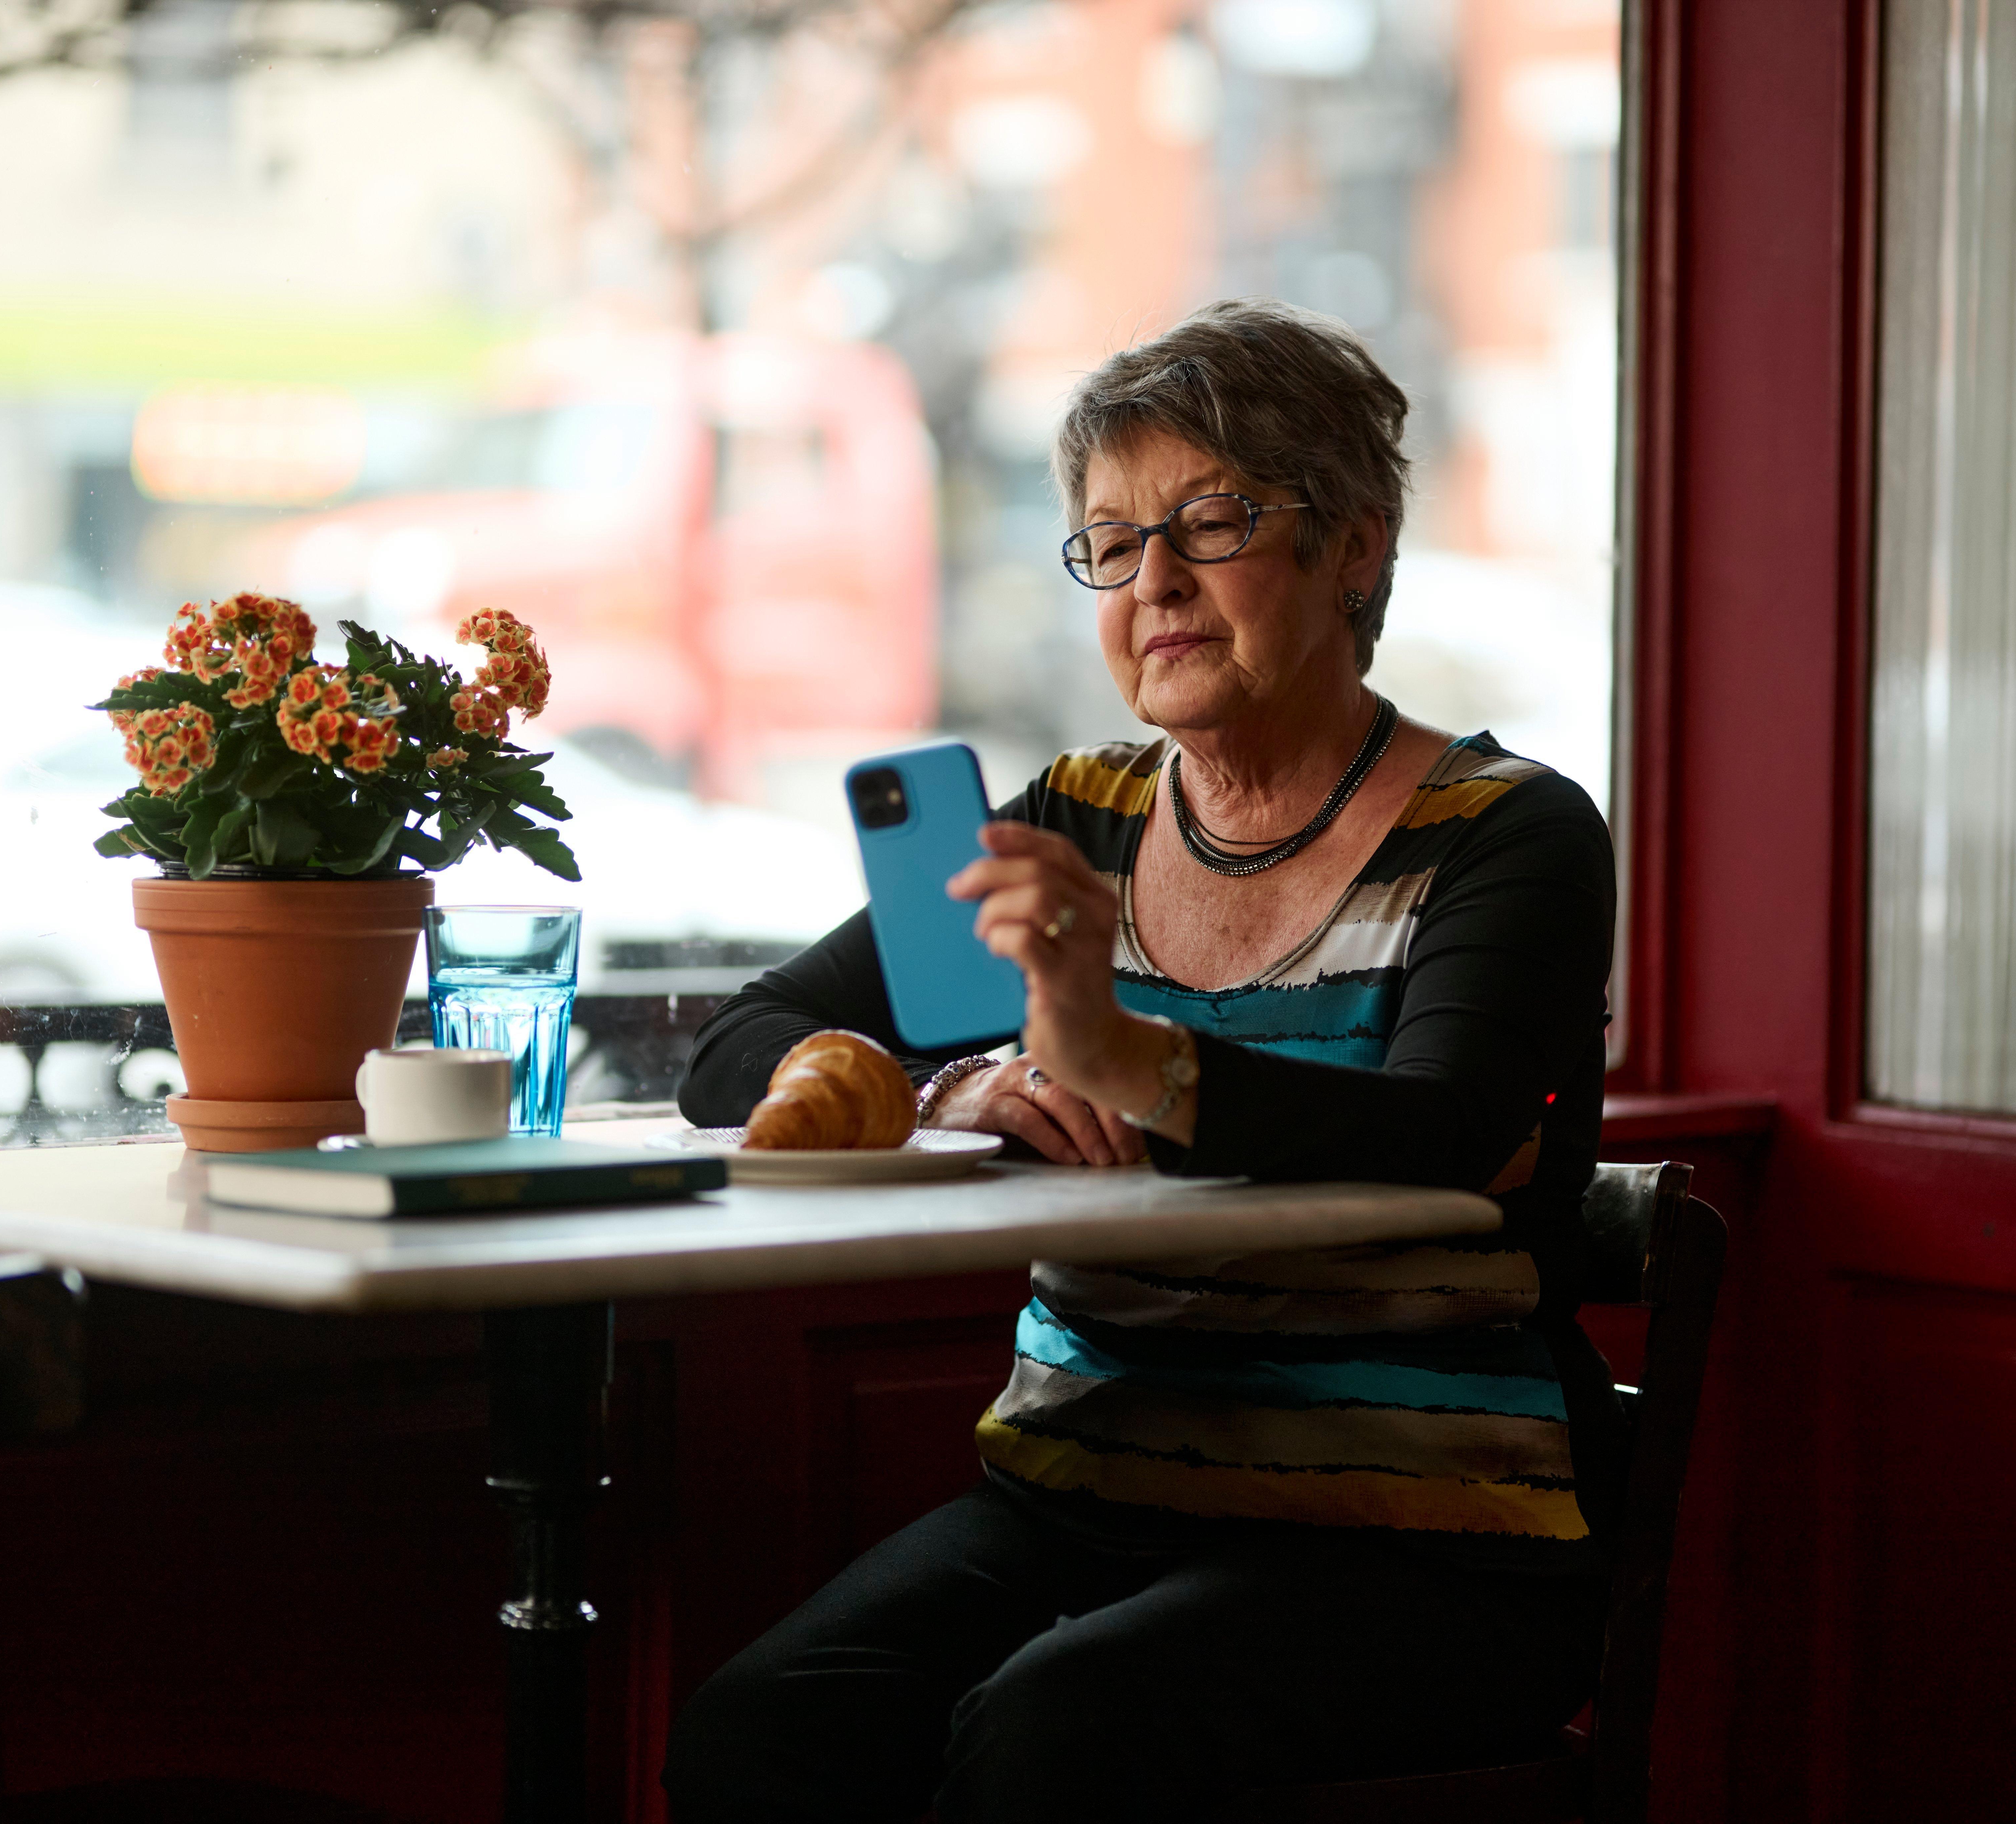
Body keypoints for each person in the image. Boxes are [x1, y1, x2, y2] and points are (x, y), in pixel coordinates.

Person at [662, 298, 1620, 1823]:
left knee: (1051, 1737)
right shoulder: (1082, 814)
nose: (1152, 580)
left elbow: (1443, 1127)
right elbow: (738, 1042)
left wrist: (1123, 1055)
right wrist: (948, 1088)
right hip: (1083, 1489)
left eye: (1212, 522)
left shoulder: (1511, 831)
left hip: (1419, 1537)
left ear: (1356, 545)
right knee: (759, 1729)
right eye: (1111, 541)